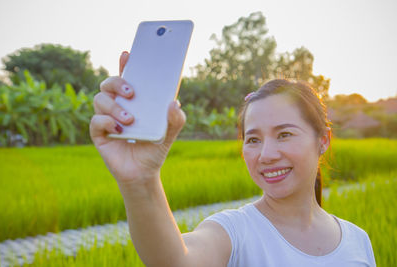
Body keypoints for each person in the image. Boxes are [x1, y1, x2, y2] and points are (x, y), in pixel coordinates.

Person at [90, 51, 376, 267]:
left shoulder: (358, 241)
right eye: (253, 139)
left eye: (285, 134)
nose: (266, 155)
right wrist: (140, 180)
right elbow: (178, 260)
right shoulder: (235, 232)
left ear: (323, 140)